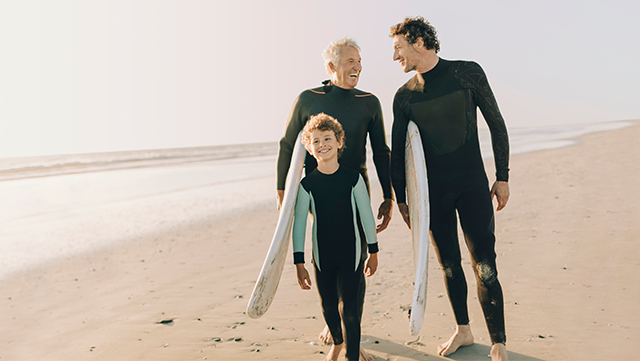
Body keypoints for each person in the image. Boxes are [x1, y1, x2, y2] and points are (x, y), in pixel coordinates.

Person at [389, 17, 511, 361]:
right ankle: (464, 329)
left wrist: (502, 176)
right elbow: (398, 153)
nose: (395, 56)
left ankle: (498, 340)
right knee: (449, 266)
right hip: (433, 196)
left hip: (472, 185)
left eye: (398, 48)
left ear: (417, 42)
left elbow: (496, 123)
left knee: (485, 265)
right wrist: (403, 200)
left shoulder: (466, 73)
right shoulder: (404, 97)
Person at [276, 37, 393, 232]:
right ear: (332, 66)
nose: (358, 67)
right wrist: (281, 190)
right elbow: (287, 144)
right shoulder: (308, 99)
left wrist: (388, 197)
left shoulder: (369, 102)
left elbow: (381, 152)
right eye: (350, 61)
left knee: (359, 247)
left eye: (359, 61)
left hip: (357, 188)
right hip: (317, 190)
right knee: (323, 249)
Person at [292, 113, 379, 361]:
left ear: (339, 142)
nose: (322, 145)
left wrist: (373, 252)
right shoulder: (307, 185)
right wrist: (299, 263)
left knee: (350, 312)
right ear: (309, 148)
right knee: (329, 309)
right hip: (322, 258)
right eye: (316, 141)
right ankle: (338, 343)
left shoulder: (353, 179)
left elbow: (366, 218)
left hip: (350, 256)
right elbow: (300, 226)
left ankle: (352, 355)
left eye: (327, 138)